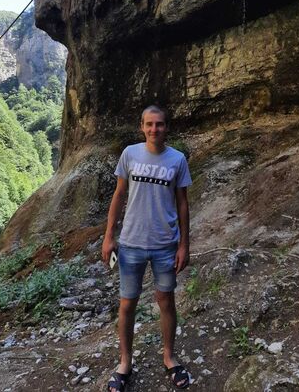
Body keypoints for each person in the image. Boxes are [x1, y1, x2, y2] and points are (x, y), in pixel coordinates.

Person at [102, 105, 192, 391]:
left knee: (166, 301)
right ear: (141, 126)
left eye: (160, 124)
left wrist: (184, 244)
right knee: (127, 304)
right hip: (131, 243)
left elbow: (182, 203)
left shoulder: (177, 159)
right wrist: (109, 236)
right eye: (149, 124)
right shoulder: (130, 154)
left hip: (165, 245)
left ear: (167, 127)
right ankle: (125, 362)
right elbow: (119, 195)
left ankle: (169, 357)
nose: (155, 129)